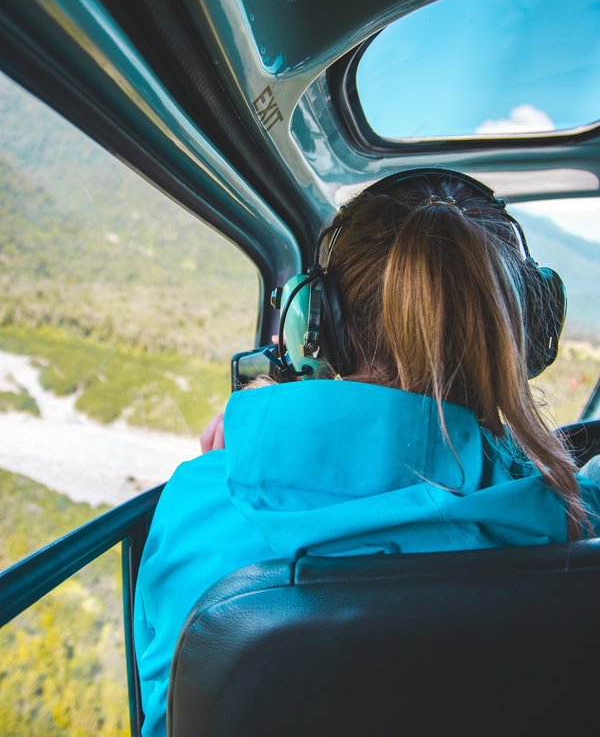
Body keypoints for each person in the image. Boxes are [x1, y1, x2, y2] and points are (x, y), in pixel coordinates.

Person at [134, 169, 600, 736]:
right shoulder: (568, 519)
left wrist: (267, 434)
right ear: (524, 339)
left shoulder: (199, 501)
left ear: (318, 322)